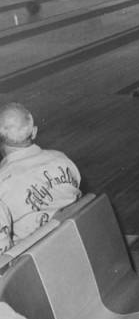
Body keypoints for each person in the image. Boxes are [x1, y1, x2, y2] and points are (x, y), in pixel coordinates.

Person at [0, 102, 81, 248]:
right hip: (78, 238)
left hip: (34, 259)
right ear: (34, 132)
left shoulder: (2, 182)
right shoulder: (63, 160)